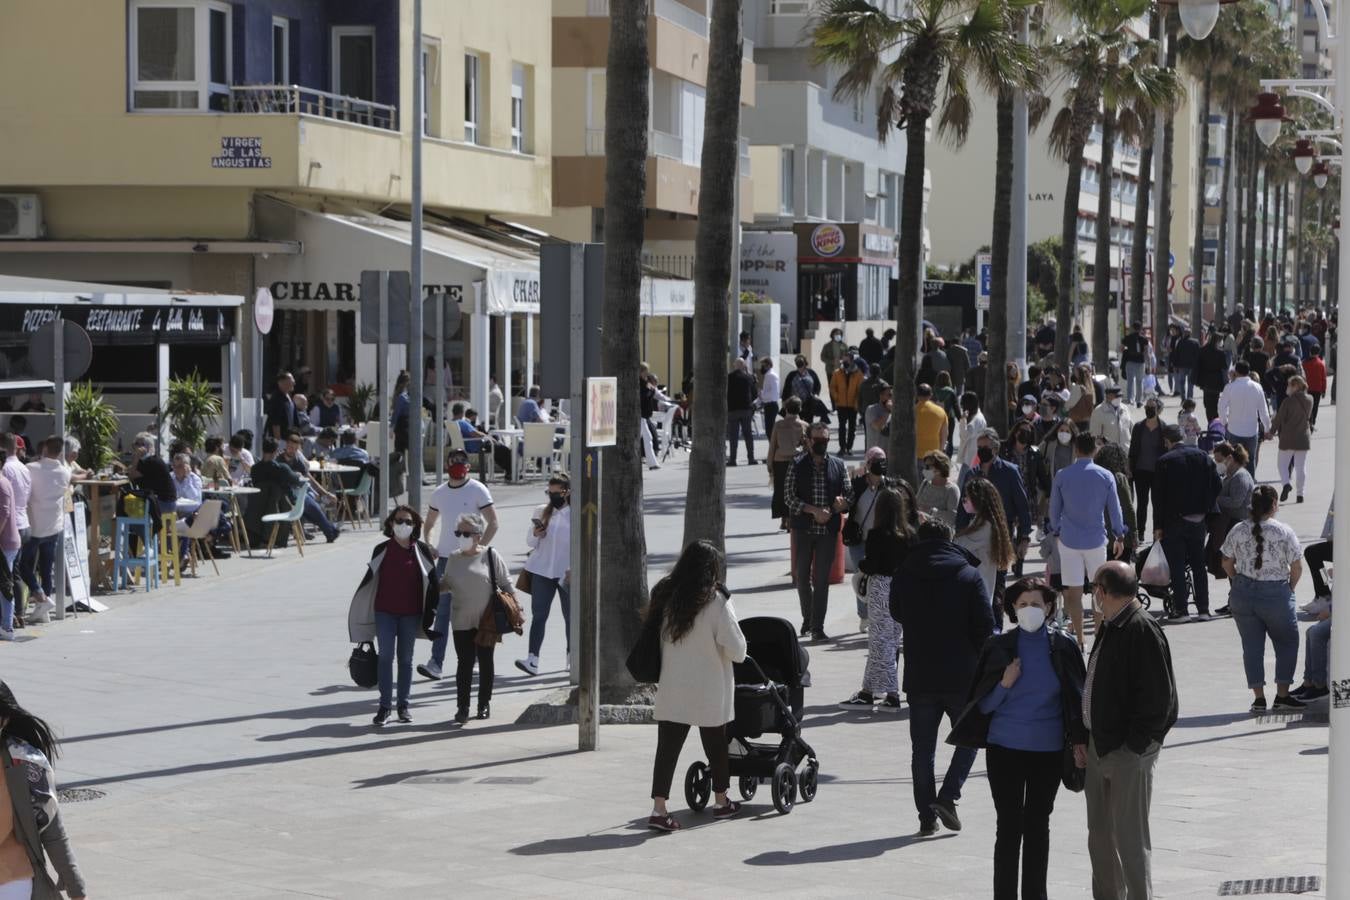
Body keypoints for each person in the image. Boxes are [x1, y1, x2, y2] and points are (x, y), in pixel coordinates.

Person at [949, 578, 1088, 900]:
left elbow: (1076, 698)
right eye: (1023, 605)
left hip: (1048, 749)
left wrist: (1081, 741)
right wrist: (1005, 684)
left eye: (1037, 605)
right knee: (1009, 826)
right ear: (1012, 608)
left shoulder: (1064, 646)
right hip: (1004, 749)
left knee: (1038, 825)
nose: (1030, 611)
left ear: (1050, 607)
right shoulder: (998, 647)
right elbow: (982, 704)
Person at [890, 519, 995, 835]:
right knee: (973, 736)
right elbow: (985, 626)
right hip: (961, 675)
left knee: (922, 750)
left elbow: (896, 612)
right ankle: (948, 795)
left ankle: (926, 817)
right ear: (950, 539)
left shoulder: (904, 573)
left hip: (920, 674)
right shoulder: (967, 574)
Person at [1083, 561, 1178, 900]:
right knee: (1100, 836)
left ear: (1103, 591)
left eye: (1094, 587)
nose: (1092, 593)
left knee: (1130, 840)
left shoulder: (1141, 629)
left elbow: (1160, 700)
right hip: (1100, 745)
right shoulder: (1112, 623)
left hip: (1126, 751)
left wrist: (1134, 746)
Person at [645, 540, 748, 831]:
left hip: (673, 685)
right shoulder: (716, 601)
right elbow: (736, 649)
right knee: (716, 743)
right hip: (709, 687)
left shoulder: (665, 594)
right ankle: (721, 800)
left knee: (667, 748)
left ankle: (658, 808)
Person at [347, 506, 439, 725]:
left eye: (408, 521)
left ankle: (403, 706)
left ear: (415, 525)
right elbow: (370, 581)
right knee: (386, 657)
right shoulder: (381, 549)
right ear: (390, 523)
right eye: (399, 520)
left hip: (411, 614)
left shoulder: (422, 551)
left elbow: (433, 583)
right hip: (384, 613)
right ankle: (385, 706)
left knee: (405, 660)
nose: (403, 525)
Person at [1220, 485, 1306, 711]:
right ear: (1275, 505)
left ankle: (1258, 698)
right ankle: (1282, 695)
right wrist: (1290, 588)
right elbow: (1297, 566)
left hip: (1243, 594)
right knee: (1287, 642)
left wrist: (1237, 580)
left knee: (1251, 647)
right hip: (1276, 592)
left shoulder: (1238, 529)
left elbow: (1225, 562)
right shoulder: (1284, 531)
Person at [0, 680, 88, 900]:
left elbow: (53, 833)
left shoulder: (25, 763)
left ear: (4, 719)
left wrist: (76, 888)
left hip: (11, 882)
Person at [417, 449, 498, 681]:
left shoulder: (478, 489)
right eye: (453, 461)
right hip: (445, 559)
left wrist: (478, 547)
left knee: (471, 611)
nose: (457, 465)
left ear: (468, 466)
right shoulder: (439, 493)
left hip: (470, 559)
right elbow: (429, 523)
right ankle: (436, 663)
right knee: (442, 612)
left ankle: (472, 660)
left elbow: (493, 522)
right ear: (446, 464)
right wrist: (429, 544)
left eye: (462, 461)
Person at [435, 511, 513, 724]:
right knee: (464, 662)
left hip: (487, 620)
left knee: (486, 661)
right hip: (461, 619)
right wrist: (430, 585)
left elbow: (506, 583)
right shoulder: (453, 557)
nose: (462, 536)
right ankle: (463, 707)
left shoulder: (490, 555)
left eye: (466, 533)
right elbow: (446, 584)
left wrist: (515, 607)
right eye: (458, 532)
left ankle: (484, 704)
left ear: (478, 535)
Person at [1049, 432, 1126, 648]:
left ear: (1075, 449)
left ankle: (1080, 638)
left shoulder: (1062, 475)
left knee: (1072, 591)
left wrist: (1055, 530)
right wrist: (1119, 534)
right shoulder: (1105, 475)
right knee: (1099, 589)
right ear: (1095, 449)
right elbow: (1115, 509)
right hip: (1095, 540)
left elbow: (1054, 510)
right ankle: (1099, 638)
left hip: (1068, 539)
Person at [840, 488, 912, 709]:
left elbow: (870, 565)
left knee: (881, 642)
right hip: (902, 589)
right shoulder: (909, 534)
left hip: (881, 587)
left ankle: (892, 694)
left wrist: (862, 565)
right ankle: (867, 691)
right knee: (888, 640)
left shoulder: (877, 534)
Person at [784, 422, 851, 641]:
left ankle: (817, 627)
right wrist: (813, 511)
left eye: (825, 441)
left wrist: (839, 506)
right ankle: (808, 618)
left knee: (821, 580)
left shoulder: (838, 465)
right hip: (803, 529)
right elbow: (789, 498)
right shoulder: (797, 464)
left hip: (828, 531)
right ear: (809, 440)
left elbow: (849, 495)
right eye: (818, 441)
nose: (822, 444)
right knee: (802, 578)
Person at [1153, 425, 1223, 621]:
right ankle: (1203, 609)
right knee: (1198, 564)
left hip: (1173, 521)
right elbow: (1217, 485)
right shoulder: (1202, 456)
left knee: (1176, 565)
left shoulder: (1164, 461)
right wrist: (1205, 506)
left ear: (1167, 441)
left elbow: (1158, 497)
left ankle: (1182, 610)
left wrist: (1157, 526)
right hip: (1199, 520)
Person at [516, 474, 572, 677]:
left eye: (557, 492)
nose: (553, 496)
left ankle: (571, 657)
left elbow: (584, 543)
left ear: (567, 491)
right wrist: (536, 534)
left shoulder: (576, 513)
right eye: (550, 492)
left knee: (570, 617)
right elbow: (530, 543)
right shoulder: (541, 510)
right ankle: (532, 659)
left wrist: (575, 568)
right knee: (539, 616)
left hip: (566, 573)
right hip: (541, 570)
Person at [955, 478, 1015, 604]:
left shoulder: (984, 526)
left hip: (977, 588)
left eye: (968, 496)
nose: (964, 500)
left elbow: (960, 544)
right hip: (978, 585)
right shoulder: (981, 521)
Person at [1219, 360, 1270, 476]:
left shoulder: (1230, 387)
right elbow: (1263, 411)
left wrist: (1224, 422)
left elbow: (1221, 407)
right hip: (1252, 430)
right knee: (1250, 460)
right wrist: (1267, 428)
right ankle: (1250, 486)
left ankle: (1234, 484)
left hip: (1234, 429)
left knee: (1233, 459)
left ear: (1236, 372)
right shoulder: (1257, 387)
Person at [1268, 374, 1312, 503]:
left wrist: (1271, 432)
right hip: (1303, 437)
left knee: (1282, 464)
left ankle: (1286, 484)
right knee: (1301, 466)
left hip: (1288, 437)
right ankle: (1300, 494)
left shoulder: (1288, 401)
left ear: (1295, 386)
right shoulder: (1310, 399)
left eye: (1289, 385)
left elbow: (1279, 419)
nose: (1287, 388)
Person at [767, 397, 808, 532]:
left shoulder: (778, 425)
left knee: (781, 490)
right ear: (800, 409)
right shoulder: (804, 425)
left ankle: (784, 520)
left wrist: (769, 464)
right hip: (798, 462)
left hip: (780, 461)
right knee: (795, 491)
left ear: (785, 409)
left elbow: (773, 445)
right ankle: (792, 519)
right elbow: (808, 447)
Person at [1128, 399, 1165, 539]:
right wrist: (1130, 467)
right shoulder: (1138, 427)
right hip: (1140, 471)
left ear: (1158, 409)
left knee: (1157, 504)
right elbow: (1132, 449)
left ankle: (1157, 532)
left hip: (1158, 473)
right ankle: (1141, 532)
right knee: (1142, 504)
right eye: (1147, 407)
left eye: (1152, 407)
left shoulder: (1163, 428)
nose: (1148, 409)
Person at [829, 356, 864, 456]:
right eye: (844, 360)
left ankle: (849, 448)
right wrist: (837, 397)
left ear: (852, 361)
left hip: (853, 406)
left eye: (847, 360)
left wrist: (857, 403)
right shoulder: (837, 373)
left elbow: (859, 390)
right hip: (841, 404)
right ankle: (842, 447)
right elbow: (832, 387)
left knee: (852, 428)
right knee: (842, 427)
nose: (845, 362)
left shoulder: (858, 374)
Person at [726, 359, 757, 466]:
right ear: (744, 366)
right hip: (746, 409)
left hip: (732, 410)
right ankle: (751, 458)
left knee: (733, 436)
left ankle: (732, 459)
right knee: (748, 435)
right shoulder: (749, 377)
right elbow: (754, 394)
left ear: (735, 366)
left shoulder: (728, 378)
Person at [917, 451, 960, 526]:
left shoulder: (952, 489)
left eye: (928, 466)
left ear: (939, 469)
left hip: (938, 533)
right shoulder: (925, 483)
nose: (925, 469)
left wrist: (931, 511)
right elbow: (916, 503)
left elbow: (952, 517)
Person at [1196, 330, 1229, 423]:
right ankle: (1215, 423)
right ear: (1218, 341)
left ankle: (1210, 422)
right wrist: (1226, 383)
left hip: (1205, 381)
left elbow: (1199, 366)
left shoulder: (1203, 350)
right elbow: (1224, 370)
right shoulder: (1220, 353)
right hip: (1216, 381)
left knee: (1207, 404)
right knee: (1214, 404)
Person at [1090, 385, 1133, 453]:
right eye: (1117, 396)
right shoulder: (1098, 411)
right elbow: (1094, 436)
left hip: (1126, 452)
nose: (1119, 399)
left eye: (1120, 396)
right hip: (1109, 455)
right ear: (1108, 396)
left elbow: (1131, 430)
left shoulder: (1125, 409)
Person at [913, 384, 948, 462]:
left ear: (917, 395)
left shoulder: (912, 411)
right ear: (931, 395)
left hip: (916, 453)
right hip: (934, 453)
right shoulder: (940, 411)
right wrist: (940, 451)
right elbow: (944, 434)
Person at [1121, 322, 1150, 406]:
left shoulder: (1127, 338)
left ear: (1133, 328)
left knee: (1130, 381)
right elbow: (1146, 353)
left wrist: (1127, 350)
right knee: (1139, 382)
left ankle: (1130, 399)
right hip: (1140, 362)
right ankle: (1138, 401)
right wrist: (1148, 365)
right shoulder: (1144, 339)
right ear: (1140, 329)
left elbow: (1121, 348)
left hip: (1130, 362)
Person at [1170, 327, 1200, 400]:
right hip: (1191, 366)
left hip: (1181, 366)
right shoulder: (1195, 342)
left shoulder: (1180, 342)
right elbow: (1198, 355)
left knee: (1182, 383)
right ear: (1190, 333)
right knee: (1190, 383)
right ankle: (1190, 399)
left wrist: (1175, 365)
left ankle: (1183, 398)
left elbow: (1176, 354)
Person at [266, 371, 297, 440]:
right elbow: (275, 423)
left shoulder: (289, 398)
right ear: (281, 382)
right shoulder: (277, 399)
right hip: (281, 440)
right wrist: (278, 441)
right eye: (291, 381)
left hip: (289, 440)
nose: (294, 383)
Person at [1303, 344, 1327, 429]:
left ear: (1310, 352)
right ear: (1319, 352)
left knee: (1307, 406)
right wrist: (1324, 390)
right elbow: (1323, 378)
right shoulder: (1320, 364)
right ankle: (1312, 423)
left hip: (1307, 388)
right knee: (1315, 406)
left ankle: (1307, 422)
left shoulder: (1304, 363)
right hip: (1317, 389)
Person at [864, 384, 892, 452]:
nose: (891, 398)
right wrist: (888, 411)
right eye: (889, 395)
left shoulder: (893, 410)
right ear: (881, 396)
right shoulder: (871, 409)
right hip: (875, 455)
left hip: (889, 454)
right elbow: (877, 426)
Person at [758, 357, 781, 436]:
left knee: (769, 431)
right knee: (769, 430)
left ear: (768, 365)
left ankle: (773, 447)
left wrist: (762, 395)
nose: (761, 368)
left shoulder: (770, 375)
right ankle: (773, 447)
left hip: (771, 405)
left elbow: (773, 394)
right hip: (770, 405)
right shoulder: (769, 375)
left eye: (763, 366)